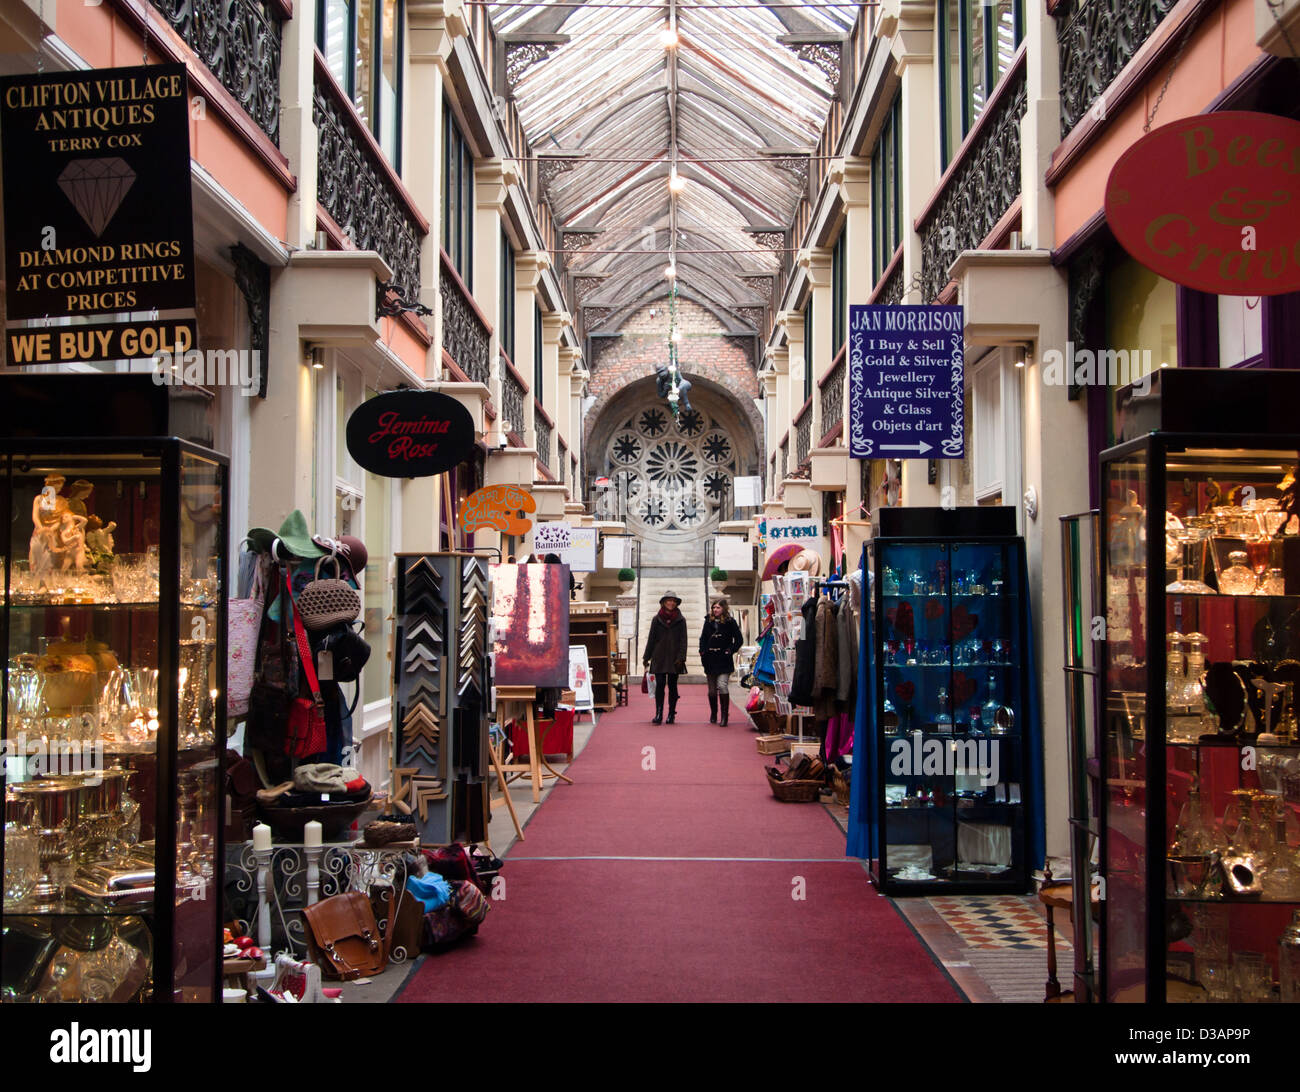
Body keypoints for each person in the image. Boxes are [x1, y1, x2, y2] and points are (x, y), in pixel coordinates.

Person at [643, 590, 687, 724]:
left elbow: (683, 640)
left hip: (675, 658)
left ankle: (671, 714)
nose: (671, 603)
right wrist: (646, 657)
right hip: (659, 656)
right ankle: (658, 713)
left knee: (673, 686)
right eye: (669, 600)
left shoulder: (681, 620)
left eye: (673, 601)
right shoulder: (656, 619)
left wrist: (681, 657)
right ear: (663, 602)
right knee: (660, 685)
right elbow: (651, 638)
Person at [699, 598, 744, 724]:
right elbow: (703, 638)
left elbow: (739, 640)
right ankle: (714, 713)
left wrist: (730, 650)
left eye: (718, 607)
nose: (715, 610)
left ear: (723, 608)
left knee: (722, 685)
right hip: (710, 659)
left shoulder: (730, 622)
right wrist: (702, 651)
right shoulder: (708, 621)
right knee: (712, 691)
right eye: (714, 607)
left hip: (724, 659)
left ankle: (724, 716)